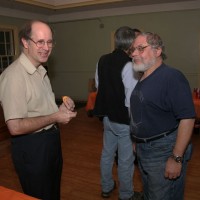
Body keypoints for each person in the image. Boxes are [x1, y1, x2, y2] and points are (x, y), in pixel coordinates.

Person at [0, 20, 77, 200]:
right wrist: (56, 116)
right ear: (25, 42)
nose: (46, 47)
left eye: (49, 42)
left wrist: (61, 108)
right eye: (40, 42)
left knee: (52, 193)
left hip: (50, 142)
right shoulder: (14, 76)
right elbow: (15, 127)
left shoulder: (40, 71)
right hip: (32, 148)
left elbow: (41, 109)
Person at [129, 32, 196, 200]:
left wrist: (176, 157)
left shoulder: (171, 77)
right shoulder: (144, 76)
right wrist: (136, 141)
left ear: (157, 51)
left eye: (140, 48)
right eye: (132, 49)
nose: (134, 53)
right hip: (144, 149)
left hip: (163, 150)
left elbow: (188, 118)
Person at [93, 26, 141, 200]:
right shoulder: (129, 65)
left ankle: (106, 187)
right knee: (126, 160)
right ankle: (126, 194)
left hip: (107, 116)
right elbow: (131, 99)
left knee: (107, 154)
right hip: (123, 119)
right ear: (130, 43)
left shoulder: (102, 60)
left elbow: (99, 86)